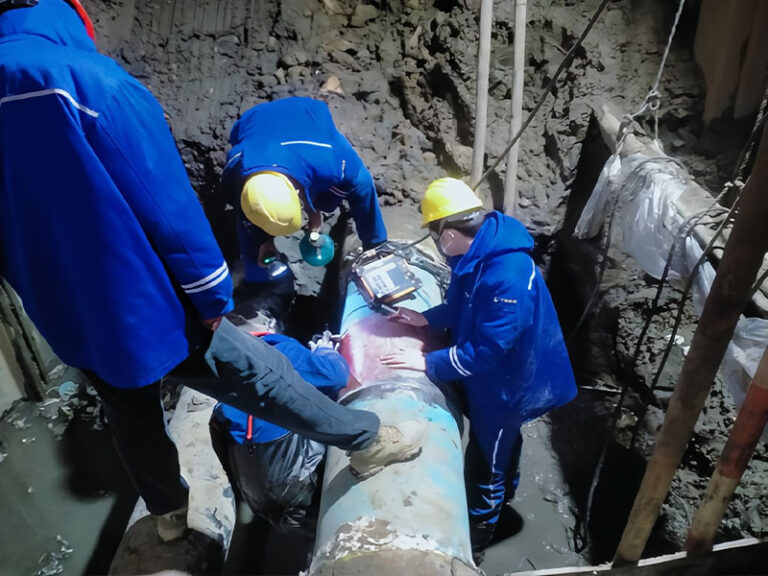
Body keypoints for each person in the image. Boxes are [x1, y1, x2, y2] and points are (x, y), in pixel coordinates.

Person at [0, 0, 419, 543]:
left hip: (60, 307)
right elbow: (167, 208)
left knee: (129, 412)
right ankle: (365, 442)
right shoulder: (91, 83)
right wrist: (217, 299)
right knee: (259, 375)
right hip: (145, 300)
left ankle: (169, 513)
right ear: (72, 17)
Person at [382, 178, 577, 557]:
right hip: (491, 377)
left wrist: (425, 362)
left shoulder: (507, 275)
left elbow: (488, 351)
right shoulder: (477, 254)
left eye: (436, 233)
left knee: (486, 461)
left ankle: (480, 534)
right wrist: (426, 319)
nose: (438, 242)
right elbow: (462, 305)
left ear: (451, 233)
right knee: (501, 446)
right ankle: (507, 487)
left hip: (505, 385)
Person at [219, 97, 388, 283]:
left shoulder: (330, 158)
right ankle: (257, 283)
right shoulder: (234, 173)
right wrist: (263, 240)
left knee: (352, 186)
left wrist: (374, 245)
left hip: (308, 113)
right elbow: (246, 216)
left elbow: (361, 182)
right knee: (248, 228)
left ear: (297, 194)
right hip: (251, 120)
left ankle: (376, 247)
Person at [209, 329, 350, 533]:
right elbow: (335, 376)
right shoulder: (278, 349)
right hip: (300, 486)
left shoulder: (222, 372)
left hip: (257, 497)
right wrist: (325, 351)